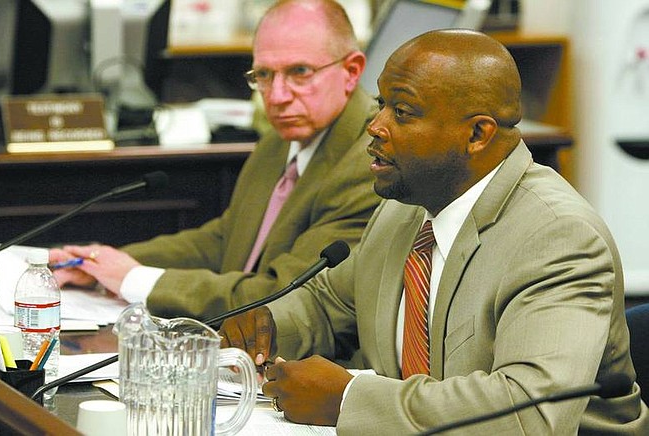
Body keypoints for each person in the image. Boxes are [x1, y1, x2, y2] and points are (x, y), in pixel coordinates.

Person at [218, 29, 649, 434]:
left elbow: (528, 414)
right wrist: (269, 325)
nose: (375, 125)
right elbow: (331, 301)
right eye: (380, 103)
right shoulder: (404, 209)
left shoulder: (558, 238)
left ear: (477, 134)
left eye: (401, 112)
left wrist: (349, 399)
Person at [49, 0, 380, 320]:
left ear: (351, 71)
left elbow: (286, 295)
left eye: (300, 72)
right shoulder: (282, 139)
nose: (276, 97)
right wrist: (102, 265)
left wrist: (135, 279)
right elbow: (226, 239)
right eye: (264, 75)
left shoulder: (370, 163)